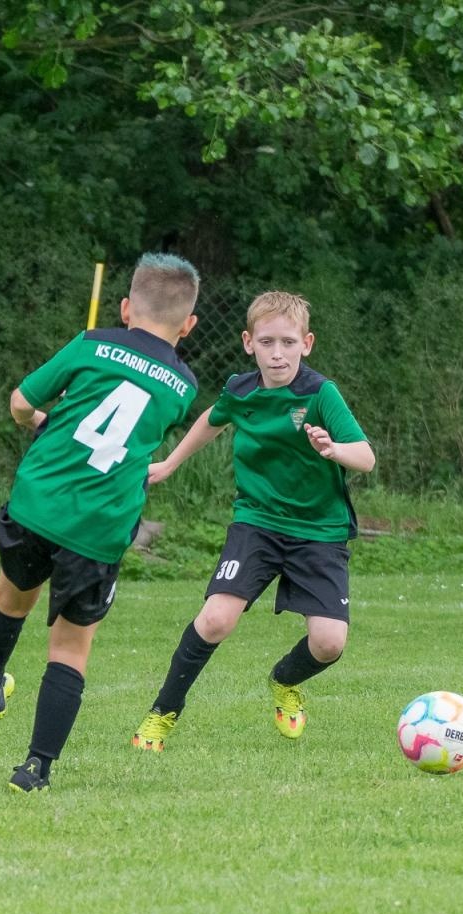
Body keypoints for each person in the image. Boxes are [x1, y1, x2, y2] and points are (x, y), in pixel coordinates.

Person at [0, 253, 201, 792]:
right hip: (99, 527)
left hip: (38, 503)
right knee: (70, 648)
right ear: (188, 326)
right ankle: (35, 768)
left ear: (125, 307)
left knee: (10, 597)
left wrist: (41, 420)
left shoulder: (90, 343)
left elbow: (20, 402)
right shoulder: (183, 387)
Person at [131, 290, 375, 751]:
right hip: (257, 523)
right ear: (248, 342)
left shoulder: (320, 393)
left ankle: (284, 681)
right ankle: (161, 714)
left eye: (287, 342)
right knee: (216, 619)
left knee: (329, 644)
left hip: (319, 532)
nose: (277, 352)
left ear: (307, 343)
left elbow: (366, 457)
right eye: (267, 342)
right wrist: (169, 463)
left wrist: (333, 449)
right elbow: (213, 419)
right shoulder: (241, 390)